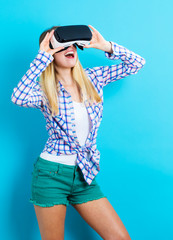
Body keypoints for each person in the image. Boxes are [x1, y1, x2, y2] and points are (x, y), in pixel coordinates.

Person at [11, 24, 146, 240]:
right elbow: (18, 97)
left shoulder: (93, 78)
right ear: (51, 53)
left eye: (71, 44)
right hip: (51, 176)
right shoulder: (45, 91)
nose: (68, 48)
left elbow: (136, 63)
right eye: (60, 45)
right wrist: (41, 58)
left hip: (84, 174)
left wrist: (105, 45)